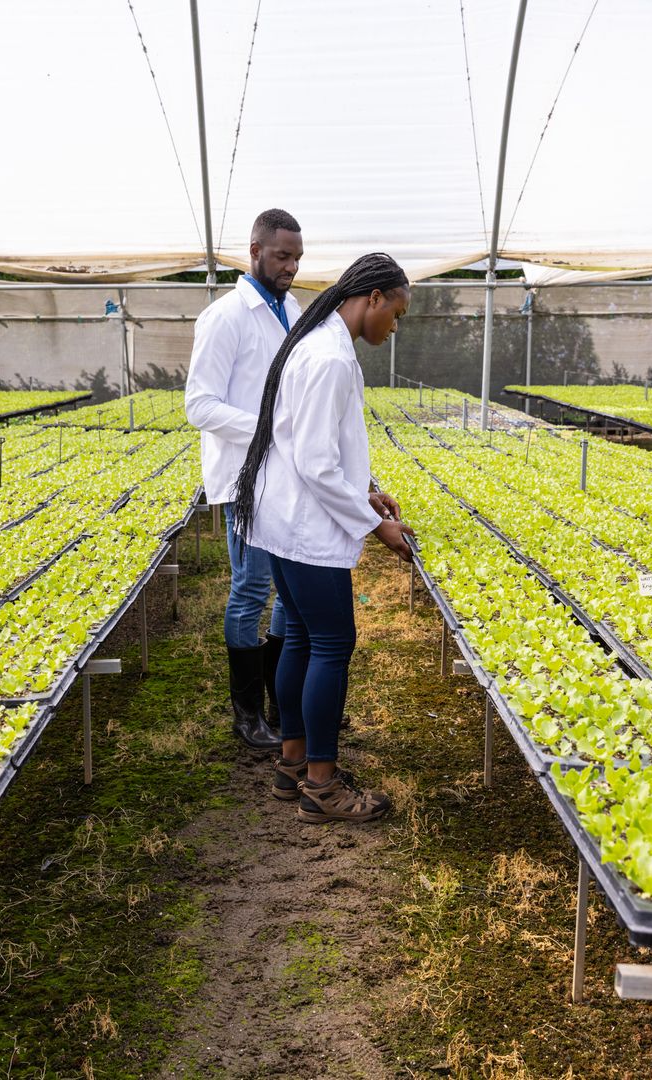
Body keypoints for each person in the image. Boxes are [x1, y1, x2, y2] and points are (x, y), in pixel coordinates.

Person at [232, 253, 414, 823]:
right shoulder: (330, 356)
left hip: (283, 521)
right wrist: (376, 525)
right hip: (304, 524)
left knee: (305, 639)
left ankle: (293, 767)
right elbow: (315, 461)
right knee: (332, 643)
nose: (395, 326)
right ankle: (322, 785)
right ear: (375, 297)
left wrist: (366, 491)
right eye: (398, 313)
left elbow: (315, 445)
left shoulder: (316, 344)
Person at [185, 208, 303, 750]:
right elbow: (200, 405)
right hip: (245, 477)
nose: (291, 267)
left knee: (287, 592)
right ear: (254, 250)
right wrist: (265, 430)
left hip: (287, 472)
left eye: (297, 258)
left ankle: (282, 706)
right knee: (252, 587)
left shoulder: (293, 308)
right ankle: (247, 716)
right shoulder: (226, 317)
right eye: (282, 256)